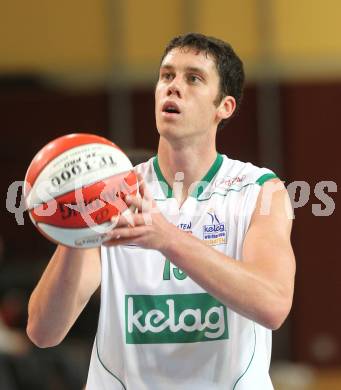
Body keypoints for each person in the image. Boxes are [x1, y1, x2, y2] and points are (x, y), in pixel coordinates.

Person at [27, 33, 295, 389]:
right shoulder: (112, 193)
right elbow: (43, 332)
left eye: (193, 78)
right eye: (166, 76)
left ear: (224, 107)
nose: (173, 87)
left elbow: (273, 304)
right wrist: (76, 231)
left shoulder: (260, 190)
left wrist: (166, 237)